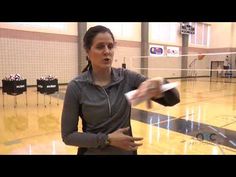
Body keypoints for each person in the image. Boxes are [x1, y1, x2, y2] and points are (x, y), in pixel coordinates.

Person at [61, 25, 180, 155]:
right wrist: (107, 139)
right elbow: (68, 136)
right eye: (100, 46)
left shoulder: (127, 77)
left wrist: (161, 84)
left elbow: (173, 99)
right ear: (88, 51)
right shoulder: (76, 87)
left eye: (110, 46)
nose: (107, 51)